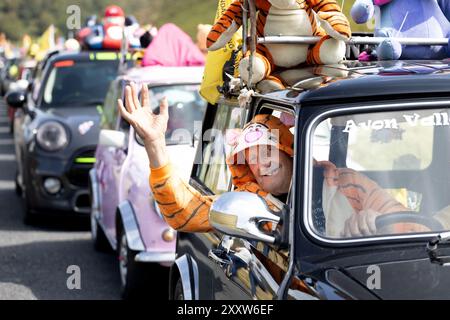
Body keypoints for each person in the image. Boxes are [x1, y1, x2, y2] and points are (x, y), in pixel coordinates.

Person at [118, 83, 410, 237]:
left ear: (288, 150)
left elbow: (408, 223)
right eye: (251, 158)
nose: (261, 163)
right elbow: (183, 212)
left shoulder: (345, 182)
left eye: (267, 150)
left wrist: (378, 222)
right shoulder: (250, 203)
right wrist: (155, 145)